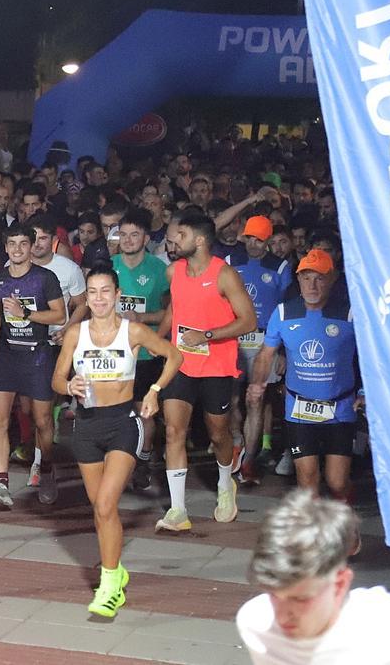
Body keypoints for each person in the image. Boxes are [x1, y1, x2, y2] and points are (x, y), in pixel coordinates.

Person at [52, 264, 182, 618]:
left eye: (105, 291)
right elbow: (56, 380)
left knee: (107, 505)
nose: (98, 299)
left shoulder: (134, 331)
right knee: (100, 509)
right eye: (92, 292)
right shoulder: (76, 334)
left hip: (123, 423)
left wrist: (154, 391)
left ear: (117, 294)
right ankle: (116, 568)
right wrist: (69, 387)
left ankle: (110, 586)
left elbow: (175, 355)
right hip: (86, 427)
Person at [237, 488, 390, 663]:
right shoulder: (256, 622)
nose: (283, 615)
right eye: (274, 595)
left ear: (340, 584)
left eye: (300, 598)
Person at [156, 212, 257, 533]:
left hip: (216, 365)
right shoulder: (174, 272)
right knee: (174, 432)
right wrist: (156, 342)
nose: (175, 241)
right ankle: (177, 509)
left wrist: (208, 335)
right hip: (180, 364)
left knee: (218, 433)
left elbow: (248, 321)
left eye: (181, 235)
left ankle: (226, 485)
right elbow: (174, 310)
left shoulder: (224, 274)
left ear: (199, 241)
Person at [246, 250, 360, 501]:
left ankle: (347, 527)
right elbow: (266, 354)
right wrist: (257, 384)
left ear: (332, 279)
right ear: (297, 280)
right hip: (299, 408)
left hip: (339, 408)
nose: (312, 285)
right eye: (306, 278)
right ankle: (316, 535)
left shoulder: (350, 314)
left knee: (337, 482)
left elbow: (369, 358)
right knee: (307, 479)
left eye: (319, 278)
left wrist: (363, 393)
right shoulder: (284, 313)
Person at [0, 223, 67, 508]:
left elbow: (60, 313)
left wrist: (26, 313)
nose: (17, 249)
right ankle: (1, 482)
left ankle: (46, 469)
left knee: (42, 420)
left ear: (32, 247)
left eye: (22, 244)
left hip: (38, 354)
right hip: (8, 354)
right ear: (5, 247)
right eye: (12, 244)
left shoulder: (45, 278)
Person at [227, 215, 292, 485]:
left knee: (256, 400)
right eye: (249, 238)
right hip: (232, 339)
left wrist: (284, 351)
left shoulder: (281, 267)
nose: (253, 244)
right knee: (231, 400)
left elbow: (288, 310)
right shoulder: (231, 261)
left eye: (259, 239)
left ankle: (248, 461)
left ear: (267, 242)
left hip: (265, 342)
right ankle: (236, 446)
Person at [111, 209, 171, 491]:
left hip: (145, 354)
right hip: (112, 355)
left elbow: (170, 314)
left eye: (135, 234)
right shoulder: (108, 267)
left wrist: (141, 319)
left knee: (143, 412)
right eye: (123, 234)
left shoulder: (160, 270)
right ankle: (118, 462)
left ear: (146, 238)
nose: (128, 240)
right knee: (116, 413)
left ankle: (143, 459)